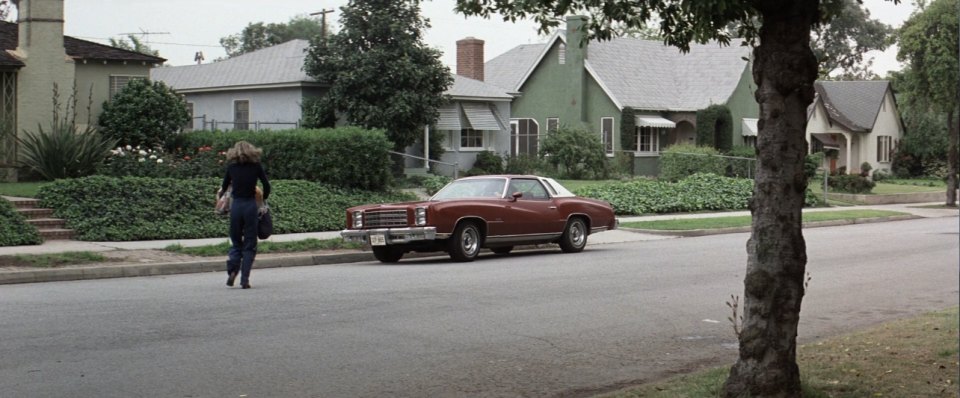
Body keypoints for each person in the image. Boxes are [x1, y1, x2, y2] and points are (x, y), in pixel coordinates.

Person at [218, 141, 271, 289]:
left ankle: (232, 270)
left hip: (236, 206)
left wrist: (223, 201)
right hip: (250, 206)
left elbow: (224, 188)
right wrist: (264, 198)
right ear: (251, 151)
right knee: (250, 244)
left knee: (236, 241)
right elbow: (266, 185)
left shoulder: (232, 168)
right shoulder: (256, 166)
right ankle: (244, 279)